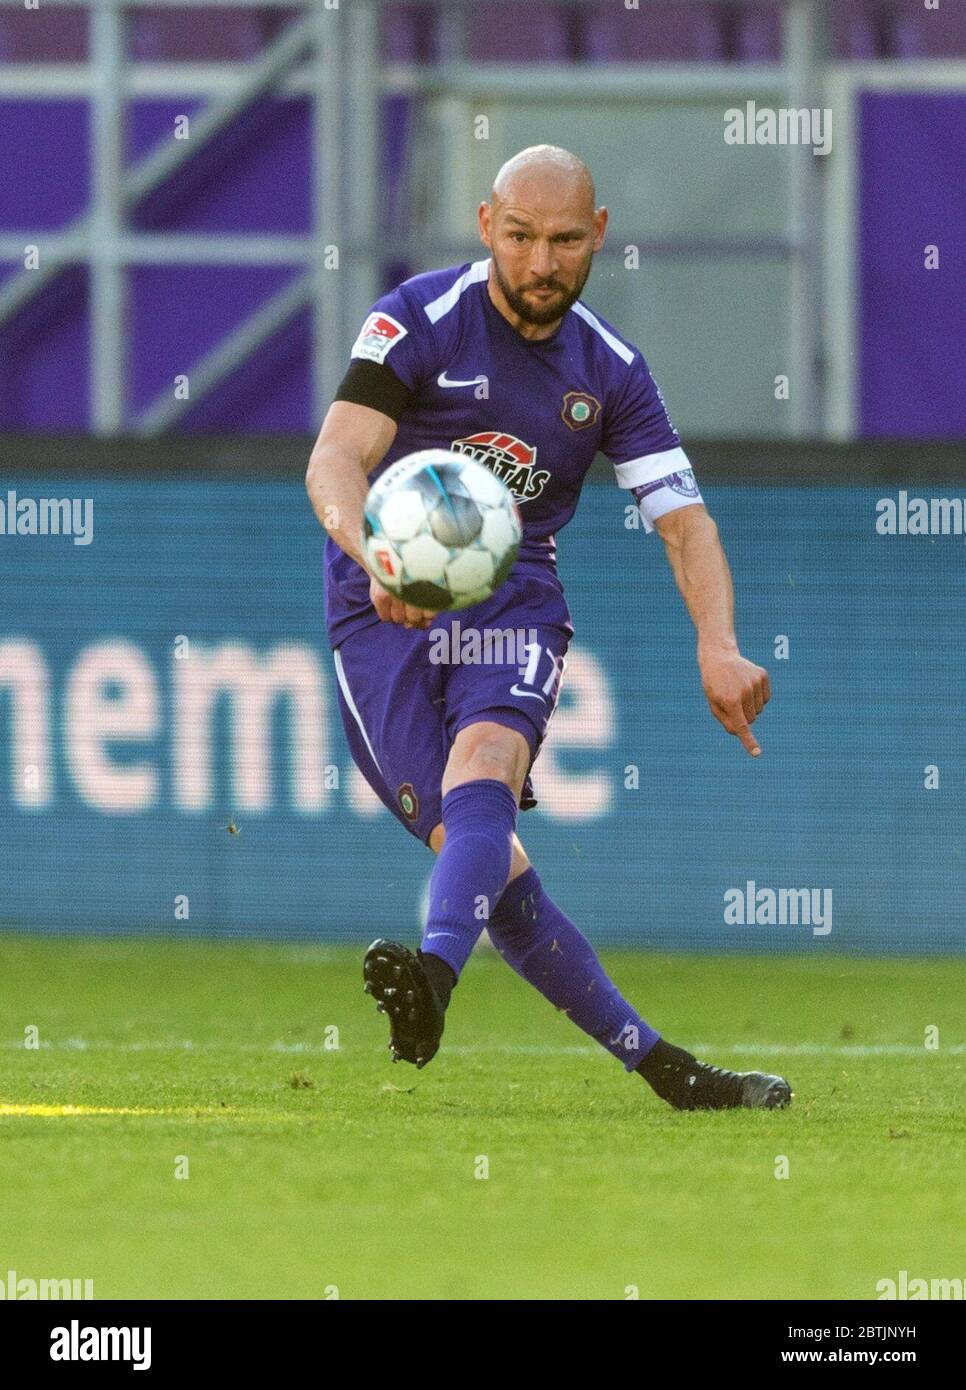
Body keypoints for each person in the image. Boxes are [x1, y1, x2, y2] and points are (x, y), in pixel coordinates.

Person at [306, 145, 791, 1110]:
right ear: (487, 227)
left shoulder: (610, 371)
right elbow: (334, 460)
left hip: (517, 592)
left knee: (488, 765)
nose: (541, 263)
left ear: (598, 236)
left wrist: (717, 641)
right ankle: (670, 1073)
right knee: (485, 858)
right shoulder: (419, 319)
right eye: (521, 237)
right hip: (382, 605)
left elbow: (685, 522)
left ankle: (434, 981)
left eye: (565, 240)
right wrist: (378, 557)